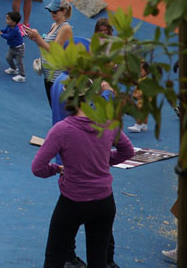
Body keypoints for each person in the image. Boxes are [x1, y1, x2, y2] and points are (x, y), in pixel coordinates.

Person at [31, 95, 134, 268]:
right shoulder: (108, 124)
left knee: (55, 257)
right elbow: (128, 151)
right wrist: (103, 159)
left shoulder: (62, 129)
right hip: (104, 202)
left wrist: (57, 169)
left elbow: (38, 168)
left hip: (73, 202)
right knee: (98, 259)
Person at [25, 0, 75, 106]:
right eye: (50, 11)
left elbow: (54, 51)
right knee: (53, 106)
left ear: (64, 11)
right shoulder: (54, 25)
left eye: (55, 11)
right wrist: (35, 39)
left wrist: (38, 38)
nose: (52, 13)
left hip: (57, 76)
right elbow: (45, 48)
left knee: (59, 108)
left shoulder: (65, 28)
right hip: (48, 74)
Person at [0, 10, 27, 82]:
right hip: (12, 47)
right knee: (8, 58)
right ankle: (14, 69)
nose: (6, 20)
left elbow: (8, 37)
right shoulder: (9, 26)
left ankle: (22, 76)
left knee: (19, 62)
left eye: (8, 19)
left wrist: (0, 33)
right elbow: (5, 30)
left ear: (14, 22)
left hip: (19, 49)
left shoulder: (15, 30)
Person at [127, 61, 151, 133]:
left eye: (140, 71)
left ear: (147, 71)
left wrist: (138, 95)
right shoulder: (142, 79)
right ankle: (144, 125)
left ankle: (137, 126)